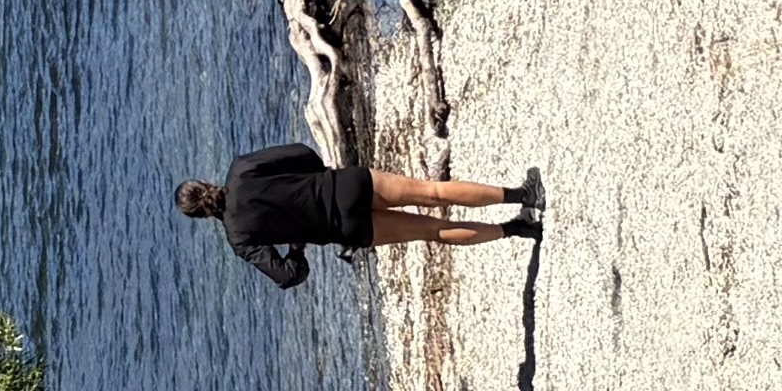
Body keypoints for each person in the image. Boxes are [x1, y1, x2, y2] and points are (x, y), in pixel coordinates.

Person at [180, 147, 539, 288]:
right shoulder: (241, 170)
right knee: (433, 193)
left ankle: (514, 228)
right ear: (204, 183)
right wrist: (317, 177)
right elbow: (302, 153)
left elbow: (290, 276)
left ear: (201, 217)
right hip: (346, 186)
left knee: (434, 231)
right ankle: (523, 195)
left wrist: (297, 248)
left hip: (345, 228)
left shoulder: (239, 238)